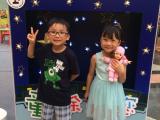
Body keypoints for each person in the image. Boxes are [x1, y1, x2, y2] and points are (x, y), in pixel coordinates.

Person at [27, 17, 80, 120]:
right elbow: (30, 55)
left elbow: (76, 73)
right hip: (45, 96)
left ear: (67, 37)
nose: (57, 35)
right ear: (47, 35)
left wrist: (65, 81)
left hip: (62, 98)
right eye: (53, 32)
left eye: (61, 32)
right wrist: (32, 43)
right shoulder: (45, 49)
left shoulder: (70, 54)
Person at [84, 23, 126, 120]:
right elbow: (90, 75)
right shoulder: (95, 57)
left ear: (118, 43)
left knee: (111, 113)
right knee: (98, 112)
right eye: (105, 39)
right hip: (98, 89)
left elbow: (122, 80)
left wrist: (120, 70)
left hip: (114, 90)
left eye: (112, 40)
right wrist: (87, 91)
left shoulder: (122, 60)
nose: (108, 43)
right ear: (100, 40)